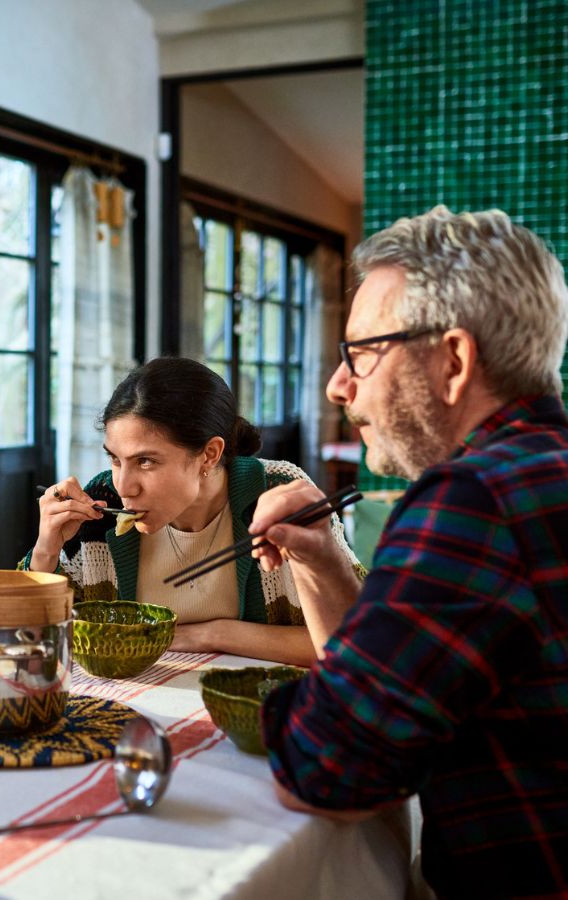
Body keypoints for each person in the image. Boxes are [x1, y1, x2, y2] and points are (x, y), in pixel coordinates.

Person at [251, 206, 568, 897]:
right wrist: (324, 561)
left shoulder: (476, 498)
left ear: (452, 361)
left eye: (362, 353)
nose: (340, 386)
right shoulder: (543, 471)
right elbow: (391, 706)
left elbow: (326, 769)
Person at [22, 356, 361, 667]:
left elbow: (355, 643)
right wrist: (45, 550)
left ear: (209, 455)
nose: (125, 486)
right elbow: (32, 641)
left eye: (146, 461)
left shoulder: (277, 493)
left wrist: (214, 633)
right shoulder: (99, 503)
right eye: (115, 459)